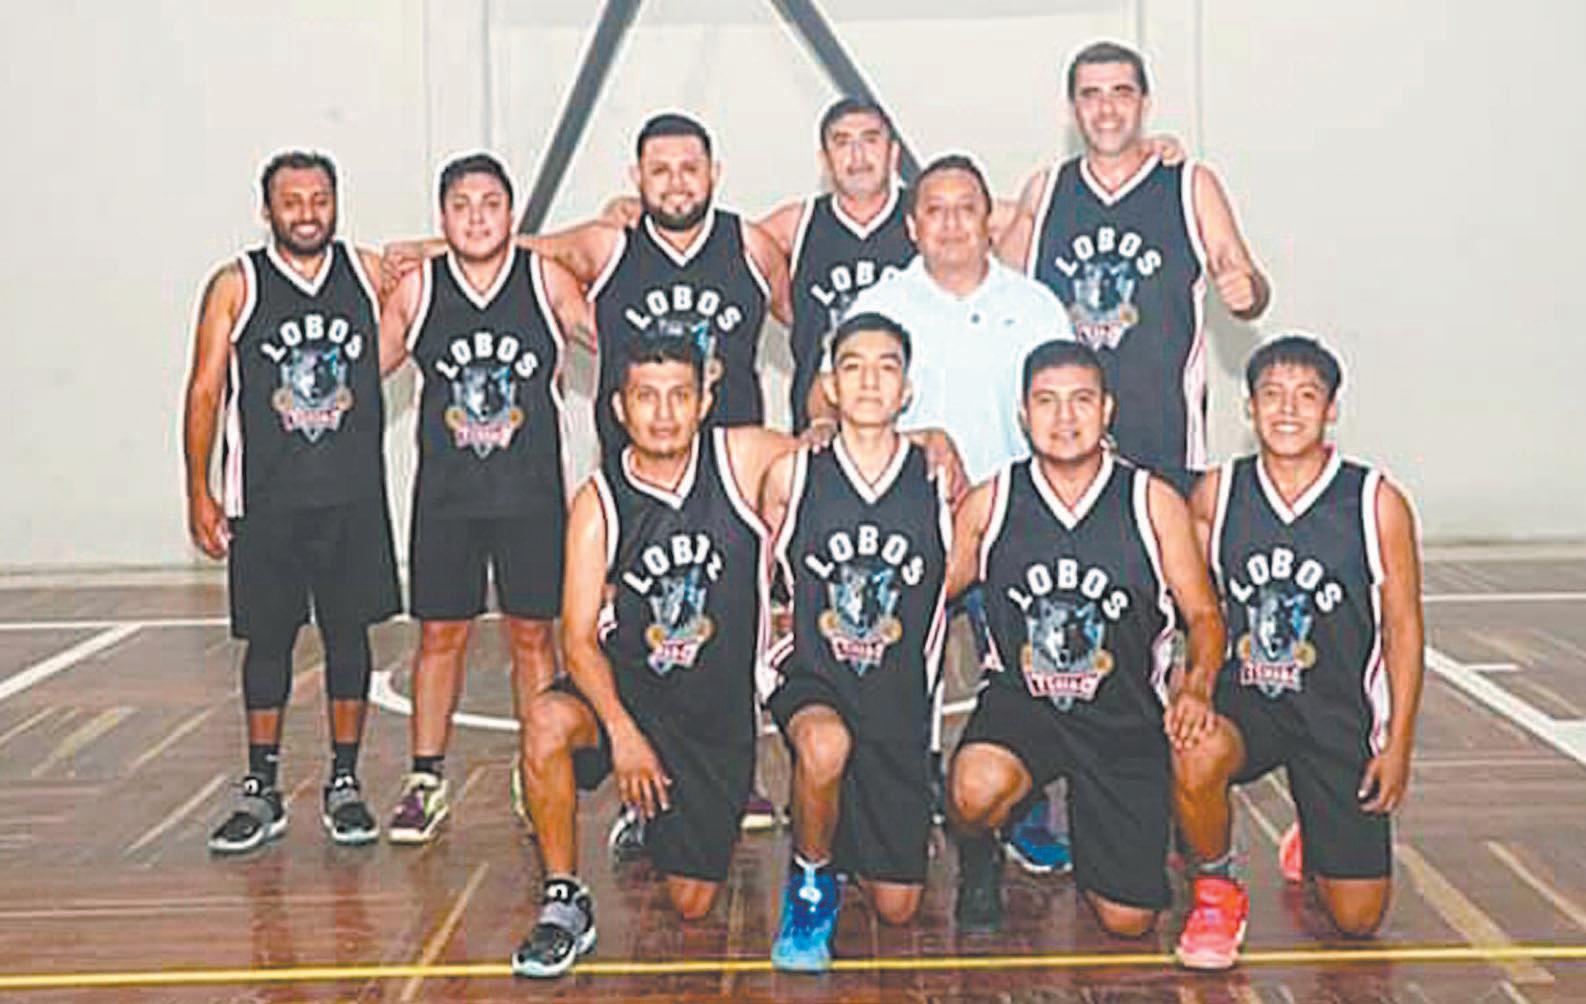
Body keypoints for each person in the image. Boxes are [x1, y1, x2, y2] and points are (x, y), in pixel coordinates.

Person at [814, 152, 1078, 871]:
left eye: (967, 208)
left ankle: (1024, 811)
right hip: (909, 530)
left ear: (991, 220)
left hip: (1013, 529)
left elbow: (1070, 408)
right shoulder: (881, 305)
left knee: (1026, 674)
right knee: (899, 675)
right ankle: (902, 803)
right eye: (935, 209)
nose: (952, 223)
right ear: (912, 225)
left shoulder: (1036, 305)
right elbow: (823, 398)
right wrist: (913, 436)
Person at [510, 338, 796, 978]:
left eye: (679, 396)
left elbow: (841, 457)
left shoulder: (743, 459)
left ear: (705, 402)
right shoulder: (599, 502)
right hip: (628, 697)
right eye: (646, 397)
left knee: (693, 904)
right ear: (619, 407)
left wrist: (929, 440)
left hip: (712, 718)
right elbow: (577, 638)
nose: (663, 414)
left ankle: (649, 821)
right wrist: (622, 734)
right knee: (547, 722)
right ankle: (564, 900)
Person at [944, 339, 1226, 937]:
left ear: (1107, 410)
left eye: (1081, 400)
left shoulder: (1152, 502)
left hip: (1122, 713)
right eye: (1046, 401)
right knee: (974, 789)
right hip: (1023, 706)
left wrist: (1197, 685)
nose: (1064, 417)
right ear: (1024, 414)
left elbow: (1204, 614)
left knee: (1129, 921)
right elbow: (927, 596)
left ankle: (1114, 832)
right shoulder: (990, 502)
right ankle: (979, 857)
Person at [1172, 334, 1424, 969]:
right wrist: (1192, 685)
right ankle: (1216, 892)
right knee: (1194, 748)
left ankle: (1315, 824)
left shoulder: (1375, 502)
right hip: (1247, 706)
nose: (1287, 409)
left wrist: (1398, 745)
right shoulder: (1216, 495)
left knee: (1358, 920)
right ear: (1249, 407)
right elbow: (1197, 613)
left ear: (1331, 409)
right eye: (1272, 394)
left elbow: (1403, 629)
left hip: (1335, 714)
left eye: (1306, 396)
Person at [183, 150, 399, 853]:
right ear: (267, 209)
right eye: (292, 201)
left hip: (351, 496)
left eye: (319, 199)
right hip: (267, 500)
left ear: (336, 203)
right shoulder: (236, 283)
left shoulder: (367, 273)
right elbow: (205, 391)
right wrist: (198, 490)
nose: (307, 213)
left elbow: (456, 258)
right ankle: (261, 786)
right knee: (268, 641)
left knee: (349, 637)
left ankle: (345, 781)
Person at [378, 152, 593, 842]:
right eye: (462, 205)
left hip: (531, 497)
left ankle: (537, 771)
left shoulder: (546, 279)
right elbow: (359, 371)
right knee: (440, 635)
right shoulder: (419, 290)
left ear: (512, 213)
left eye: (490, 204)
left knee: (533, 635)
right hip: (447, 499)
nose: (476, 217)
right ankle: (425, 779)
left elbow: (613, 339)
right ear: (442, 217)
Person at [760, 313, 962, 971]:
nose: (870, 381)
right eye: (853, 366)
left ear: (907, 389)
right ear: (830, 386)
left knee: (898, 907)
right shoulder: (792, 474)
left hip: (897, 702)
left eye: (887, 367)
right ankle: (810, 884)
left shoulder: (938, 477)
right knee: (824, 744)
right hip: (814, 677)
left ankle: (831, 829)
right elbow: (755, 575)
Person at [999, 40, 1269, 495]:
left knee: (1170, 540)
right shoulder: (1045, 191)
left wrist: (1248, 290)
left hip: (1164, 434)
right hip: (1066, 436)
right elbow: (992, 282)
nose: (1106, 109)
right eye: (1091, 95)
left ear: (1145, 103)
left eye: (1121, 93)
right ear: (1071, 108)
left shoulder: (1189, 184)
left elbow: (1245, 280)